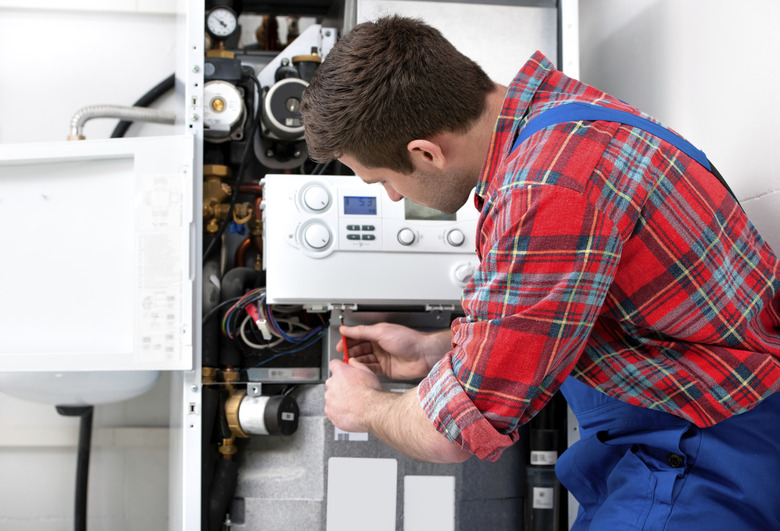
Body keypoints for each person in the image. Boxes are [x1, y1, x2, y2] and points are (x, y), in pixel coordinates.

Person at [300, 15, 780, 530]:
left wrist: (365, 406)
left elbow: (450, 435)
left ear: (425, 153)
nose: (392, 196)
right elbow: (551, 317)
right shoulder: (561, 118)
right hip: (675, 424)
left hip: (703, 446)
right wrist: (431, 350)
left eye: (382, 181)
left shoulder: (548, 190)